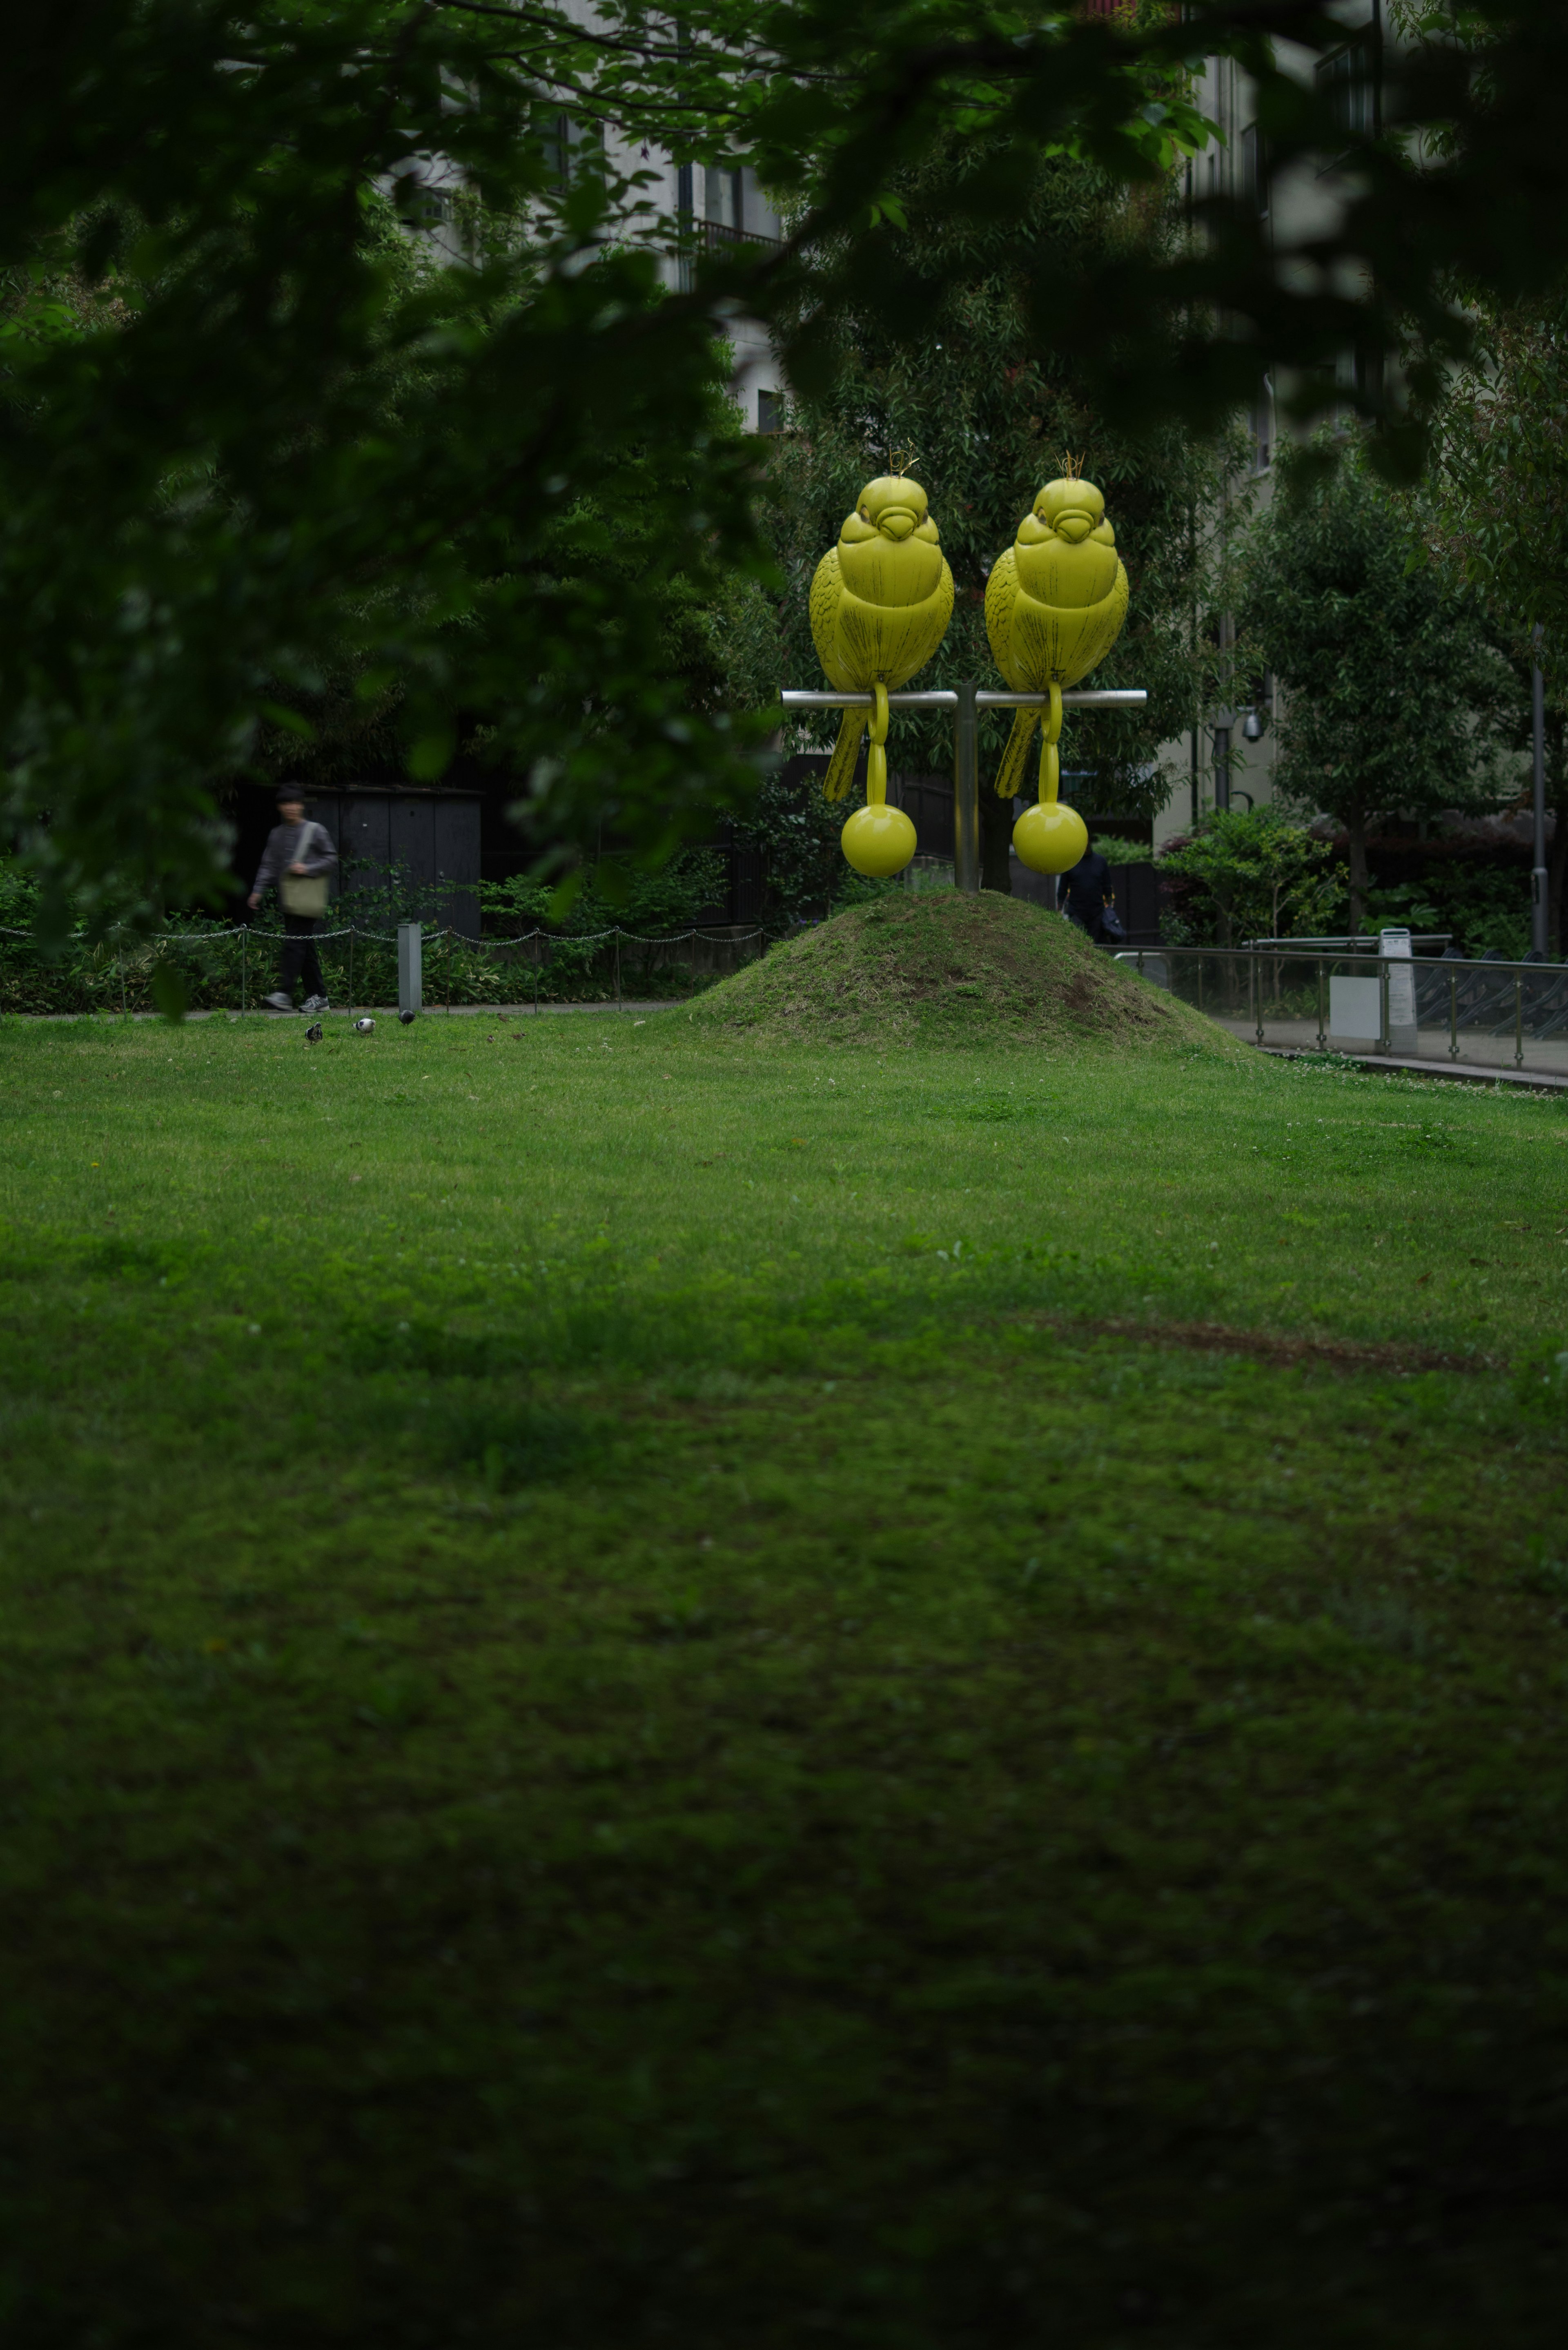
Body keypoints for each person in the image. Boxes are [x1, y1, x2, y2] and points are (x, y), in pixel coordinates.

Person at [248, 785, 338, 1013]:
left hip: (308, 901)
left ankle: (285, 994)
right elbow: (269, 866)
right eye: (286, 804)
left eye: (295, 803)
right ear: (281, 807)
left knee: (294, 944)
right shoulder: (277, 834)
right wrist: (258, 890)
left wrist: (306, 868)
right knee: (305, 948)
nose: (291, 808)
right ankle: (319, 997)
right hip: (289, 900)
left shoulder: (315, 830)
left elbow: (330, 860)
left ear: (301, 805)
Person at [1057, 844, 1115, 942]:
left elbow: (1107, 885)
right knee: (1077, 942)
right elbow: (1063, 886)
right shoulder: (1071, 862)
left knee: (1096, 944)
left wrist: (1109, 907)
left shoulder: (1100, 861)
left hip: (1097, 912)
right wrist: (1060, 906)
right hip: (1076, 911)